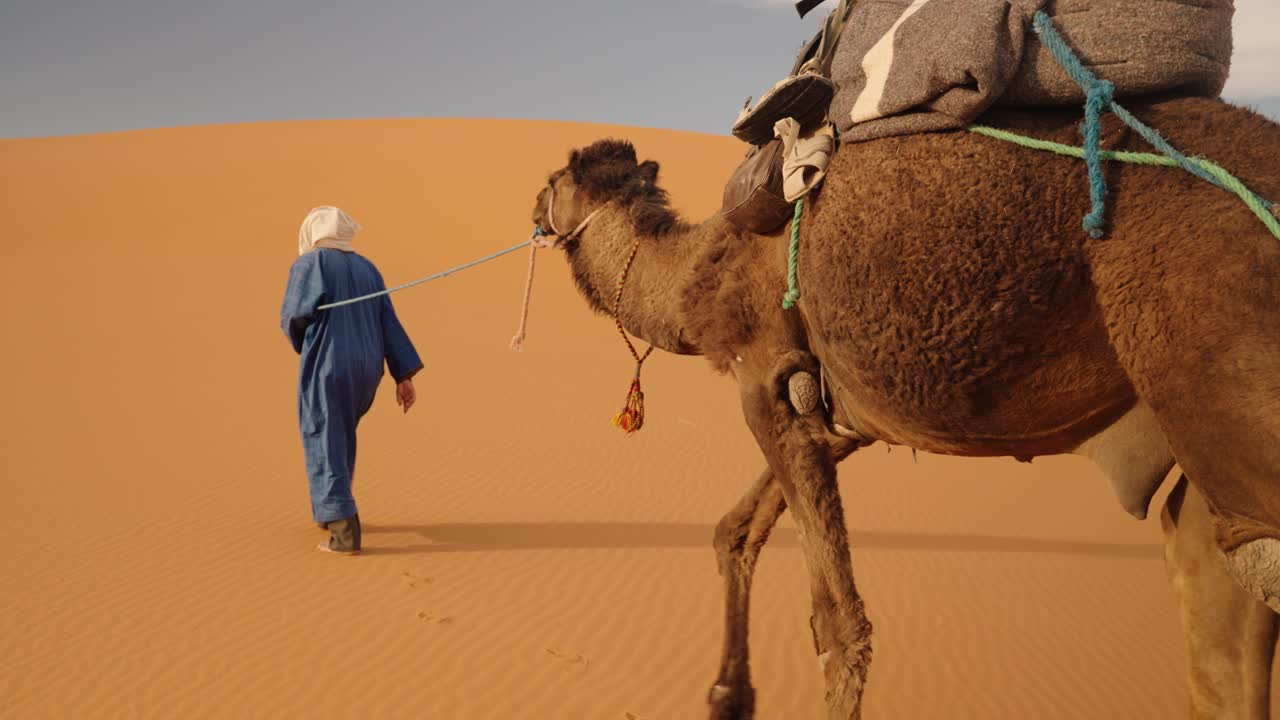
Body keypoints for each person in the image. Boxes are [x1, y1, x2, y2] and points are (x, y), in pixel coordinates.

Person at [280, 206, 423, 555]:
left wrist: (306, 345)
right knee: (340, 432)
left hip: (331, 363)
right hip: (367, 368)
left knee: (323, 433)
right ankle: (330, 512)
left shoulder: (310, 264)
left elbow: (293, 318)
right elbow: (388, 320)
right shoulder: (367, 268)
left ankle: (343, 531)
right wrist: (401, 375)